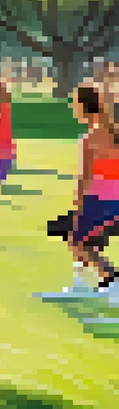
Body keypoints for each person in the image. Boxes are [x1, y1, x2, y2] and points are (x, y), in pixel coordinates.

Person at [48, 84, 119, 300]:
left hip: (99, 201)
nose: (72, 107)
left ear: (83, 107)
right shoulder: (112, 133)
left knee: (76, 242)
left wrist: (78, 204)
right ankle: (86, 283)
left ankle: (112, 280)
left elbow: (84, 177)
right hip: (112, 201)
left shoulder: (90, 138)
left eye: (75, 103)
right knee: (79, 241)